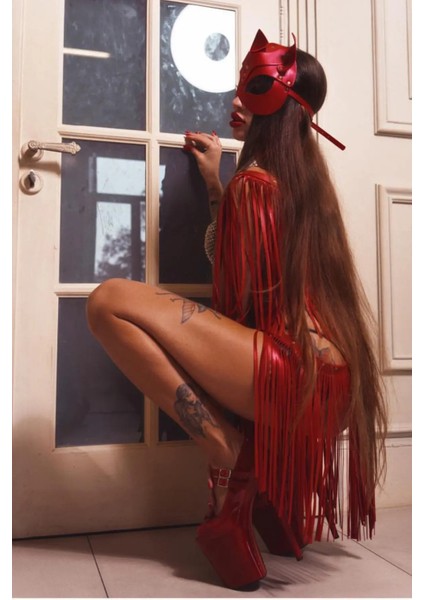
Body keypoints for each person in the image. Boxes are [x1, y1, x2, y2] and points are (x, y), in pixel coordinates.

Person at [86, 30, 388, 590]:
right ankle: (270, 499)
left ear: (276, 109)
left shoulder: (253, 183)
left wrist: (221, 185)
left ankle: (231, 454)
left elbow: (237, 289)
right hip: (330, 386)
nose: (235, 103)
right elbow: (258, 263)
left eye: (251, 91)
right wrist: (213, 180)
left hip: (289, 377)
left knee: (108, 302)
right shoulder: (306, 185)